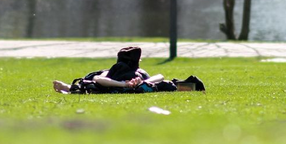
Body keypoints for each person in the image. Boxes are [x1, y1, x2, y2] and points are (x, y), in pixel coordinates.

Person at [53, 46, 205, 94]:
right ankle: (67, 87)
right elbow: (98, 79)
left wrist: (141, 82)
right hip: (114, 83)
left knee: (167, 85)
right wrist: (125, 85)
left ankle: (67, 88)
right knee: (92, 87)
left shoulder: (139, 74)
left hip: (135, 83)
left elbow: (159, 76)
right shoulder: (117, 70)